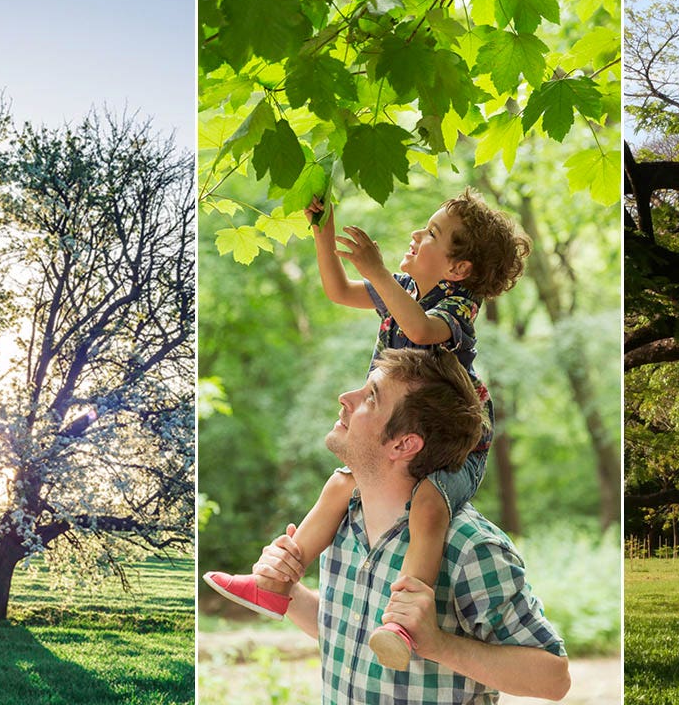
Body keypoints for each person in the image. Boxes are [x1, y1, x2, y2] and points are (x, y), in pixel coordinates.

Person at [204, 188, 531, 670]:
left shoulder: (458, 305)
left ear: (458, 269)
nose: (418, 235)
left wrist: (376, 270)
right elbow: (337, 290)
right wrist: (324, 229)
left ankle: (404, 621)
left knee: (429, 503)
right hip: (397, 432)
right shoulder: (401, 287)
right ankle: (275, 583)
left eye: (433, 233)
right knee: (340, 483)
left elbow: (419, 330)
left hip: (458, 445)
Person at [254, 348, 570, 703]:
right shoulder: (342, 522)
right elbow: (346, 634)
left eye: (370, 397)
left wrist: (437, 645)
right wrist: (286, 587)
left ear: (404, 444)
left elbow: (554, 678)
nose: (345, 398)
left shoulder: (470, 546)